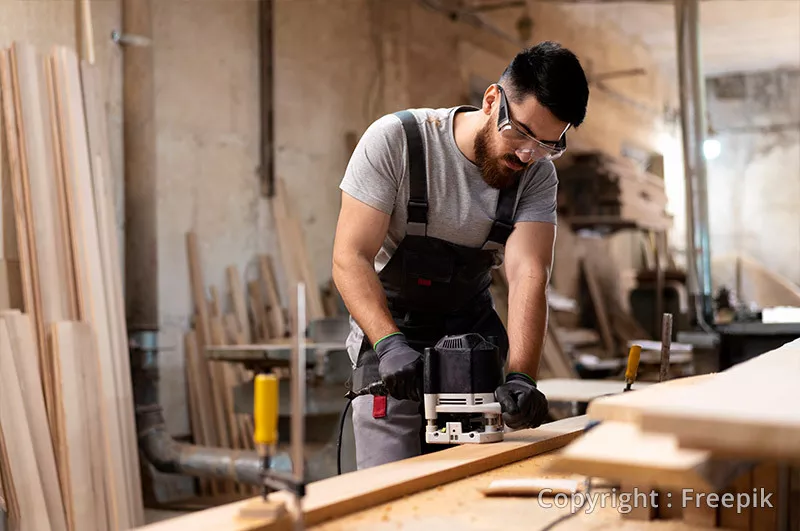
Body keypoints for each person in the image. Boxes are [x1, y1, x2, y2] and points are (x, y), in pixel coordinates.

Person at [332, 41, 589, 469]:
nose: (527, 155)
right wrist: (389, 344)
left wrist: (522, 375)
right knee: (388, 489)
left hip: (471, 345)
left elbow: (529, 273)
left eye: (547, 144)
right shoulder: (398, 141)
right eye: (521, 133)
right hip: (391, 340)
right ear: (492, 100)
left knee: (472, 485)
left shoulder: (536, 175)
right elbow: (350, 257)